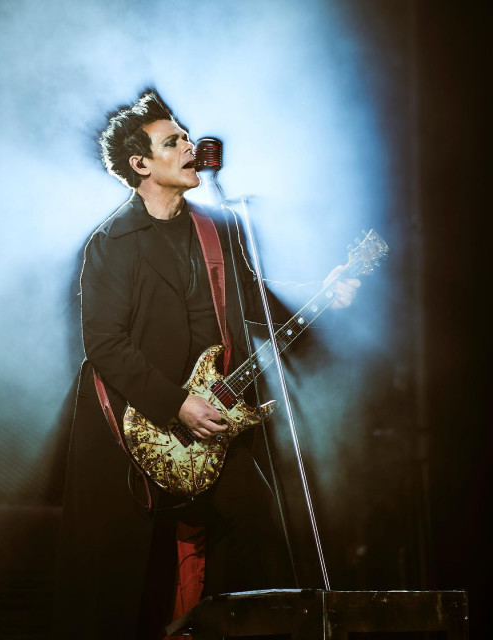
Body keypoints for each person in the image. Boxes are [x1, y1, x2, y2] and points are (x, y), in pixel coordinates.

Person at [52, 89, 360, 640]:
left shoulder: (219, 228)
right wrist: (177, 404)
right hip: (135, 429)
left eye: (187, 137)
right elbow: (104, 344)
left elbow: (253, 297)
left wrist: (323, 293)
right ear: (141, 164)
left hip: (212, 422)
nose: (190, 147)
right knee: (124, 584)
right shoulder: (112, 243)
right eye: (173, 143)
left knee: (257, 535)